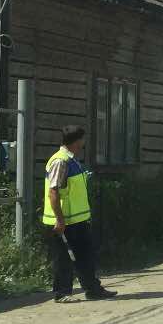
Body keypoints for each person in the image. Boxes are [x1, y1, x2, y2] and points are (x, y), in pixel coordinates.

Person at [43, 125, 117, 302]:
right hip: (64, 221)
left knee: (85, 256)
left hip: (77, 220)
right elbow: (53, 192)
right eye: (82, 139)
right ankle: (62, 293)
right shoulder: (60, 161)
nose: (84, 143)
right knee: (64, 258)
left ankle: (93, 289)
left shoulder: (72, 160)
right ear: (76, 142)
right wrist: (60, 220)